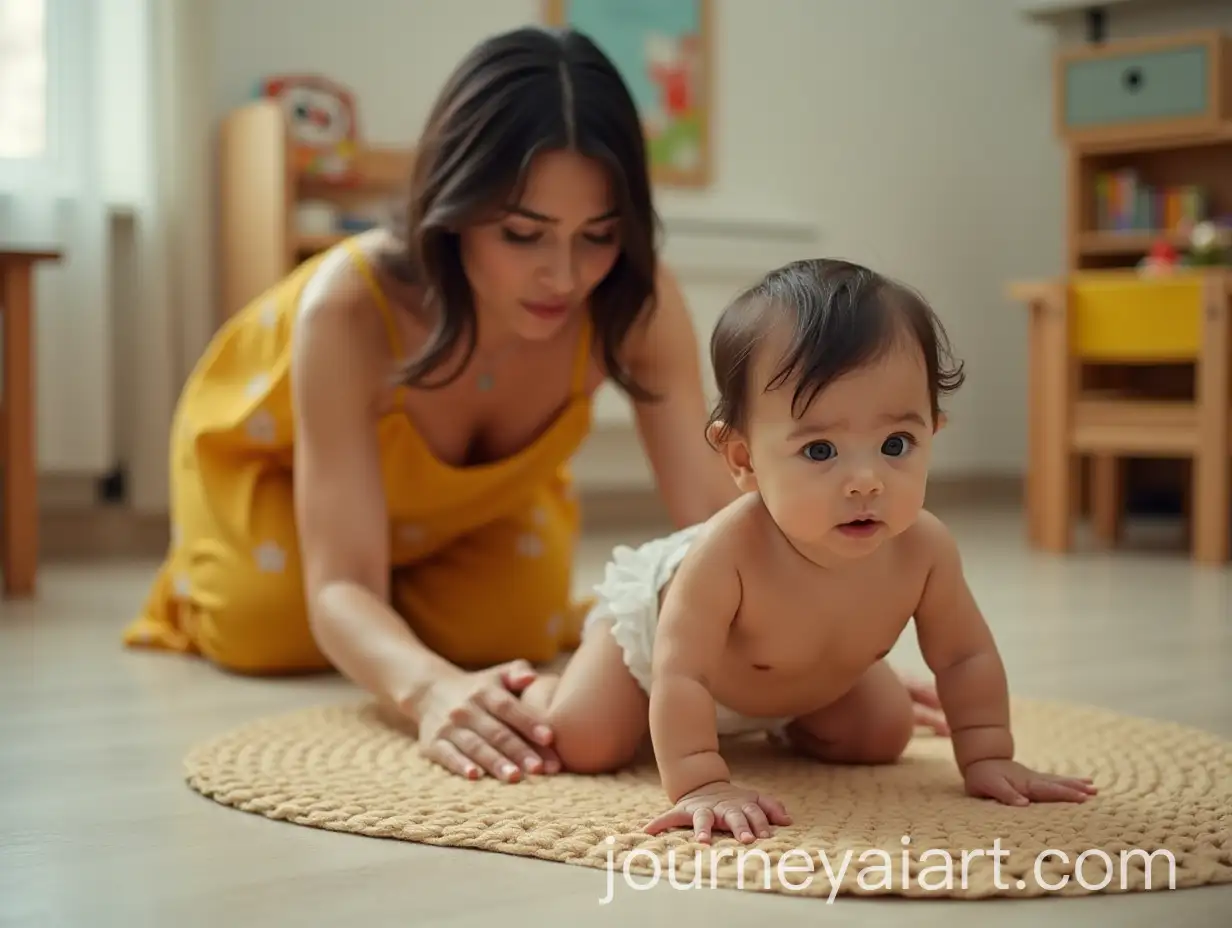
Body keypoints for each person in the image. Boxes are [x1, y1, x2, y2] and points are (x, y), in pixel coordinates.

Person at [123, 26, 943, 783]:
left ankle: (413, 603)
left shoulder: (634, 298)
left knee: (506, 633)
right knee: (270, 628)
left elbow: (715, 506)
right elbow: (339, 580)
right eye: (523, 233)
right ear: (453, 210)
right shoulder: (348, 305)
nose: (564, 276)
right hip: (275, 479)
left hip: (476, 507)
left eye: (598, 233)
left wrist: (818, 648)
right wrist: (428, 690)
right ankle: (246, 583)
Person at [522, 258, 1098, 842]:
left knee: (880, 734)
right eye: (821, 451)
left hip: (800, 683)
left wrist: (989, 754)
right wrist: (701, 781)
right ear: (744, 460)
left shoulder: (924, 549)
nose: (866, 480)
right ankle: (550, 687)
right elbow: (683, 671)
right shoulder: (727, 551)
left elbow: (963, 657)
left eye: (896, 443)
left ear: (934, 431)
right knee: (583, 739)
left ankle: (783, 727)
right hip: (651, 655)